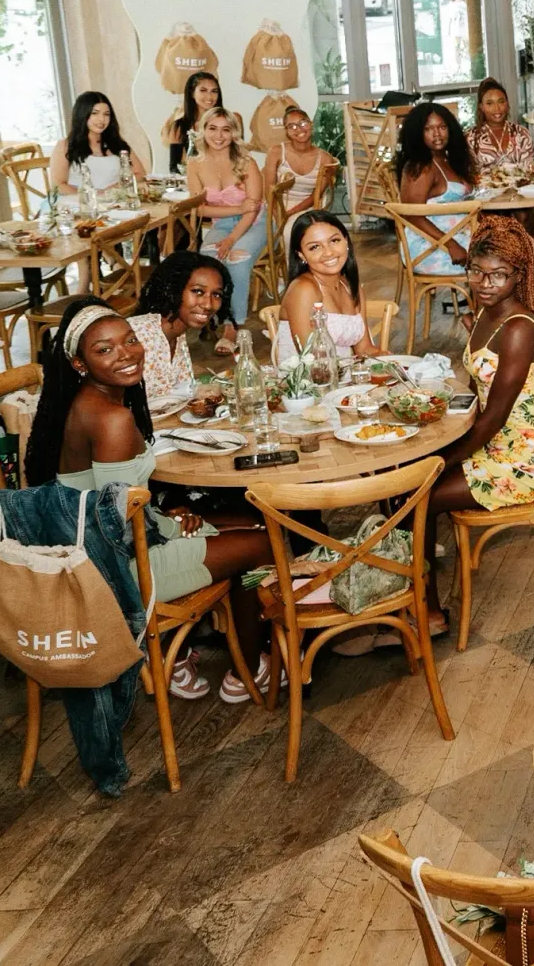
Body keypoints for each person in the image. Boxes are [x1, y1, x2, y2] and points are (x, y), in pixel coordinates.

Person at [26, 298, 277, 704]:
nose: (126, 354)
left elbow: (117, 502)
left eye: (130, 340)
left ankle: (186, 651)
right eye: (104, 349)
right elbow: (116, 522)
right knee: (262, 543)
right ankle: (246, 668)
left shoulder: (87, 402)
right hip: (117, 570)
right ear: (79, 364)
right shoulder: (111, 419)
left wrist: (164, 515)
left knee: (252, 521)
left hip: (104, 545)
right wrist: (165, 524)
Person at [412, 217, 534, 642]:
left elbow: (493, 417)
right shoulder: (486, 312)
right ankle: (412, 589)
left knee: (418, 493)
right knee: (408, 483)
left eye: (498, 275)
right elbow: (478, 394)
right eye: (477, 272)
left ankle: (427, 609)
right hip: (502, 442)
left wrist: (440, 459)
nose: (485, 283)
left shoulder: (517, 330)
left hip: (528, 458)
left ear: (519, 275)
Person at [188, 108, 265, 347]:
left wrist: (231, 239)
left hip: (255, 222)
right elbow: (200, 210)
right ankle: (210, 314)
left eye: (225, 129)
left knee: (237, 259)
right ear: (203, 130)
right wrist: (237, 208)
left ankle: (233, 325)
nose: (219, 136)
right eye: (212, 128)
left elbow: (252, 210)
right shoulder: (194, 164)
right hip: (223, 222)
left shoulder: (247, 162)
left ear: (234, 133)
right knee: (208, 259)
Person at [274, 211, 380, 365]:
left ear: (346, 241)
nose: (329, 252)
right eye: (315, 247)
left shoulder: (351, 286)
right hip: (311, 377)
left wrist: (393, 360)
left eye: (334, 240)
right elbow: (312, 361)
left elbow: (364, 349)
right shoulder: (303, 289)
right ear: (302, 255)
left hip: (344, 375)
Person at [128, 252, 230, 407]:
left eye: (216, 294)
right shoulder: (137, 335)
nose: (208, 304)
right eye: (198, 291)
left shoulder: (178, 335)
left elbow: (179, 392)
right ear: (173, 290)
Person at [395, 101, 476, 276]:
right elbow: (411, 215)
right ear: (418, 133)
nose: (437, 134)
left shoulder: (446, 158)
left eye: (442, 127)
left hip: (457, 237)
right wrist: (451, 245)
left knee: (513, 243)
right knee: (504, 254)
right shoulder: (420, 167)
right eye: (428, 129)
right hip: (430, 248)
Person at [52, 91, 143, 195]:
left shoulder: (117, 143)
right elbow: (57, 185)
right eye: (94, 113)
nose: (101, 119)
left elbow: (140, 174)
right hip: (77, 201)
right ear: (82, 114)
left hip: (114, 201)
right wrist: (91, 195)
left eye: (106, 114)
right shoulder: (65, 145)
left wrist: (114, 188)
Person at [263, 105, 337, 216]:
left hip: (308, 208)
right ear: (286, 131)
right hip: (277, 207)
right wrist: (276, 214)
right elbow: (269, 190)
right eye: (291, 126)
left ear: (311, 124)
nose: (298, 129)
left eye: (303, 123)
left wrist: (290, 214)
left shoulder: (325, 159)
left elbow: (316, 195)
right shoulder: (275, 152)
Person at [465, 77, 534, 169]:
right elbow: (469, 172)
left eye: (501, 102)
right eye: (490, 103)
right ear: (481, 107)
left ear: (507, 103)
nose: (497, 108)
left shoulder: (521, 133)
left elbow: (529, 168)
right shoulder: (471, 138)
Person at [163, 71, 222, 173]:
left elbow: (238, 159)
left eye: (214, 91)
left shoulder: (230, 122)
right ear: (192, 93)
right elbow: (174, 168)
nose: (209, 96)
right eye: (203, 90)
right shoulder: (179, 126)